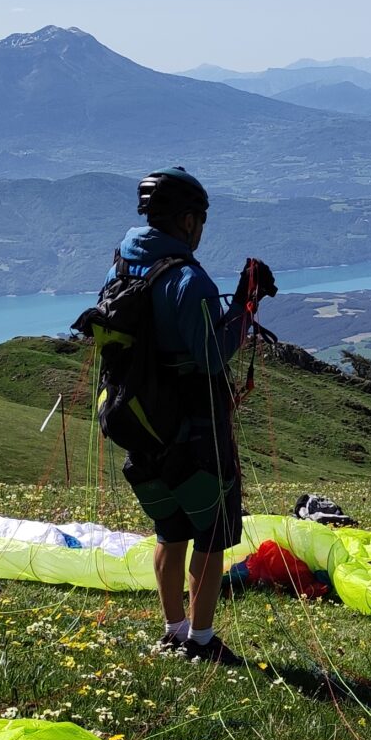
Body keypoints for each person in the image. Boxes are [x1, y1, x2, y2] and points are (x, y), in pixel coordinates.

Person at [114, 168, 251, 665]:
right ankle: (200, 639)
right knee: (211, 536)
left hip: (139, 426)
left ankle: (172, 628)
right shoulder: (188, 280)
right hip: (193, 430)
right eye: (201, 220)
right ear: (188, 220)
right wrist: (246, 305)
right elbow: (214, 354)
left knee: (169, 531)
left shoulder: (122, 267)